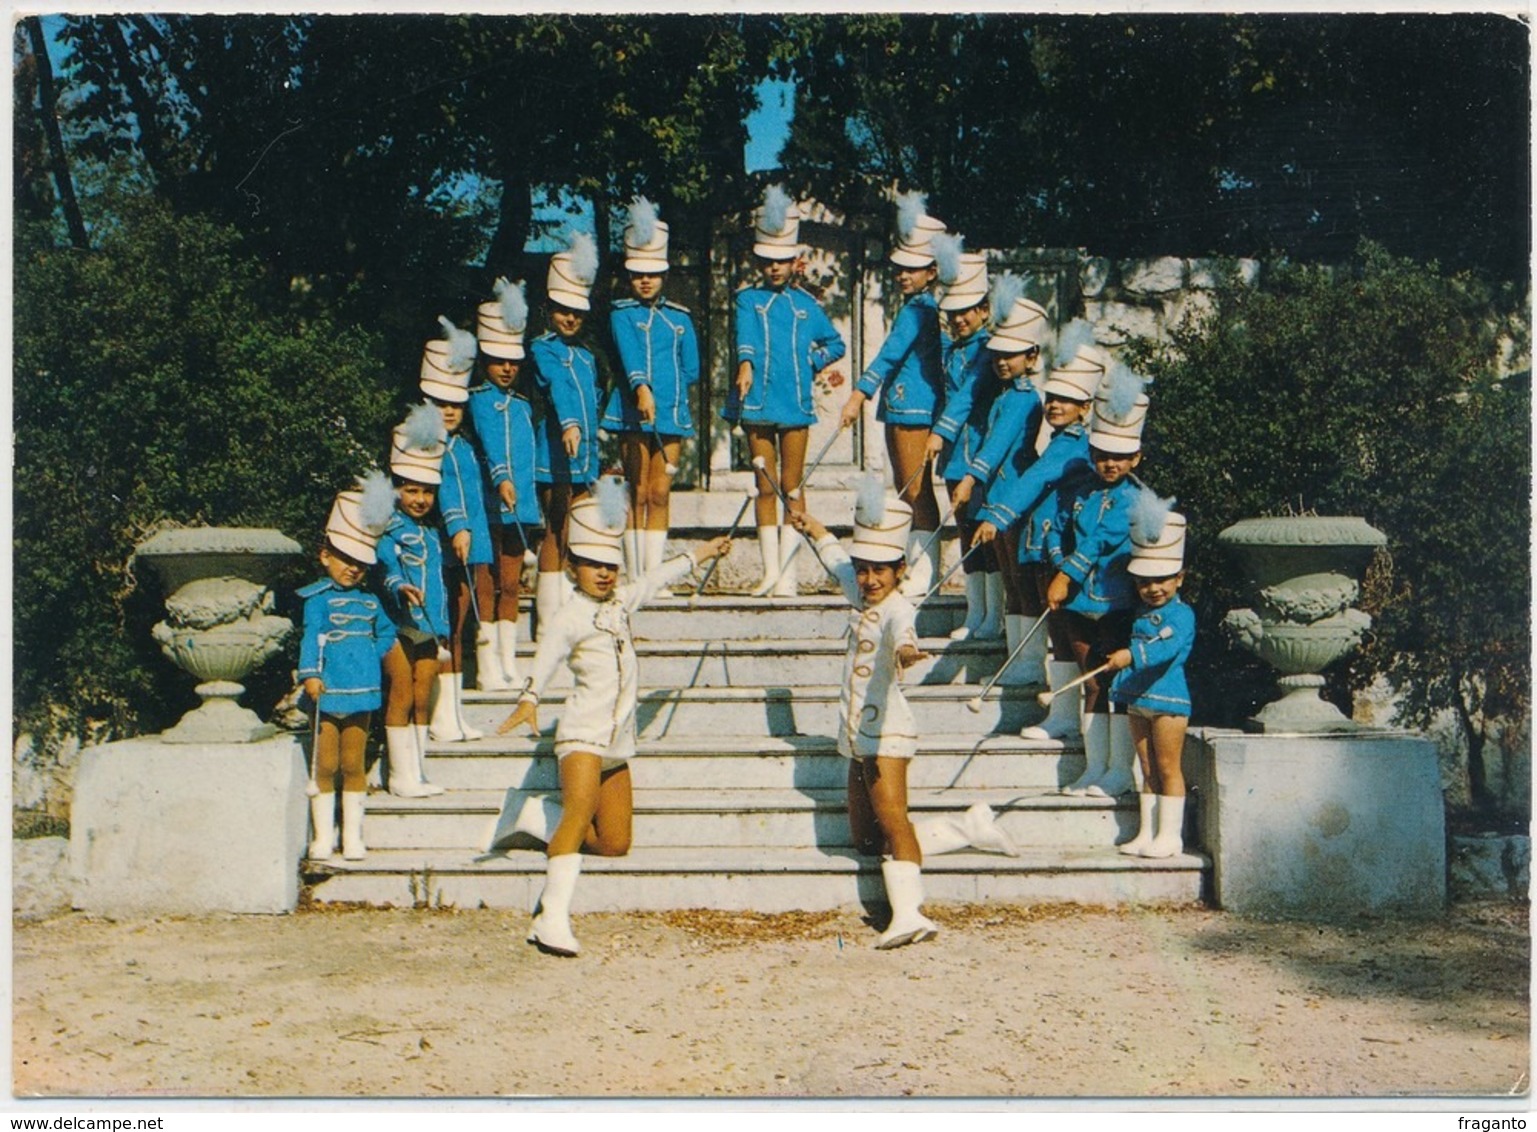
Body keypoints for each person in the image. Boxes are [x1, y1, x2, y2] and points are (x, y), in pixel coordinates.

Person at [495, 478, 731, 956]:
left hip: (617, 743)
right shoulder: (569, 615)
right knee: (580, 817)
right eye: (593, 566)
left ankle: (536, 816)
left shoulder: (622, 602)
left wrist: (702, 553)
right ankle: (551, 918)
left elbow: (656, 577)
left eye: (611, 566)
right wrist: (529, 698)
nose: (604, 574)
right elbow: (545, 660)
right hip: (581, 736)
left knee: (614, 842)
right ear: (573, 567)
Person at [789, 482, 1014, 950]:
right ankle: (964, 829)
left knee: (893, 821)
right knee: (865, 840)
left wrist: (909, 651)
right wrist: (813, 527)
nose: (870, 580)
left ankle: (910, 914)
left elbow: (902, 632)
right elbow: (834, 560)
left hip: (887, 731)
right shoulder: (859, 590)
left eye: (880, 572)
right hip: (856, 735)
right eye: (864, 570)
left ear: (900, 571)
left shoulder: (897, 608)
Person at [976, 321, 1103, 708]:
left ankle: (1066, 715)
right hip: (1044, 546)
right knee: (1058, 634)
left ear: (1085, 407)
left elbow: (1035, 479)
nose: (1054, 405)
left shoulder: (1073, 445)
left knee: (1068, 637)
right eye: (1051, 397)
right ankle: (1059, 713)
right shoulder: (1059, 441)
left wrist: (997, 516)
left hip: (1060, 549)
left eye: (1066, 399)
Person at [727, 184, 846, 597]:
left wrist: (807, 364)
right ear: (759, 261)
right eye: (767, 261)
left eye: (781, 261)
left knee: (793, 485)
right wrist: (745, 365)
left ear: (795, 261)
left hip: (794, 403)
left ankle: (789, 577)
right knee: (764, 484)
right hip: (756, 400)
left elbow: (836, 344)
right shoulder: (748, 300)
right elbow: (744, 340)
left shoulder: (806, 306)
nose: (774, 268)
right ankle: (769, 571)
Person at [1043, 361, 1152, 797]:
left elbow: (1101, 543)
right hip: (1078, 603)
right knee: (1090, 680)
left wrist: (1064, 576)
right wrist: (1056, 558)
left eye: (1120, 457)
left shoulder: (1134, 499)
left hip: (1114, 603)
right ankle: (1095, 767)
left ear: (1136, 458)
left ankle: (1120, 772)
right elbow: (1063, 529)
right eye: (1102, 455)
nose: (1110, 464)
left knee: (1113, 682)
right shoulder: (1085, 491)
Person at [838, 191, 946, 594]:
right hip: (902, 407)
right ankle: (918, 573)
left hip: (914, 408)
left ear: (932, 271)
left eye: (913, 269)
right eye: (900, 268)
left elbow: (889, 354)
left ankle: (924, 577)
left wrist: (858, 394)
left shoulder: (920, 308)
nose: (903, 275)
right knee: (910, 490)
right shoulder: (917, 305)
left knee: (917, 492)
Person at [949, 276, 1048, 682]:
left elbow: (998, 446)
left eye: (1013, 355)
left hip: (1013, 499)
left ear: (1033, 355)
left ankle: (1029, 666)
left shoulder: (1025, 399)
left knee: (1022, 583)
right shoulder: (1007, 394)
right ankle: (1016, 660)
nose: (1002, 363)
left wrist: (971, 480)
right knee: (1010, 579)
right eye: (997, 357)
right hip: (997, 498)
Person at [297, 479, 398, 860]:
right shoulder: (317, 600)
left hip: (362, 690)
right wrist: (311, 674)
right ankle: (324, 836)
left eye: (360, 563)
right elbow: (311, 638)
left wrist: (369, 654)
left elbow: (386, 633)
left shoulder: (371, 602)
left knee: (353, 763)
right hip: (326, 690)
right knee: (325, 763)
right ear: (325, 556)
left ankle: (353, 836)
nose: (353, 569)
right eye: (345, 559)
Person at [601, 197, 700, 577]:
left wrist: (667, 392)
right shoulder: (621, 314)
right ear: (629, 276)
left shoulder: (680, 319)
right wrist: (641, 388)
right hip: (631, 409)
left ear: (664, 275)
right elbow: (628, 357)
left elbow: (691, 367)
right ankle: (634, 573)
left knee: (660, 493)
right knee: (636, 490)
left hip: (671, 413)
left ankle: (654, 576)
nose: (646, 280)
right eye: (638, 273)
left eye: (653, 273)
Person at [1106, 506, 1194, 858]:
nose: (1153, 588)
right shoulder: (1141, 612)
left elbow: (1165, 648)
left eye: (1162, 580)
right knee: (1145, 767)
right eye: (1144, 582)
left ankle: (1171, 837)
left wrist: (1129, 655)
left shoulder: (1182, 614)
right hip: (1137, 697)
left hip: (1168, 701)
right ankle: (1148, 832)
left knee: (1168, 766)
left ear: (1180, 579)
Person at [925, 235, 1000, 640]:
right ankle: (976, 614)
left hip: (983, 453)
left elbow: (970, 395)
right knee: (967, 530)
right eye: (951, 314)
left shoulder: (990, 349)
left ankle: (993, 617)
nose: (958, 320)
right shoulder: (951, 349)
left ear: (984, 310)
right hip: (957, 456)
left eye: (966, 312)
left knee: (989, 535)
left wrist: (939, 432)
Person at [469, 277, 542, 691]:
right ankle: (486, 664)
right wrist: (501, 479)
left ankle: (508, 659)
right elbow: (490, 446)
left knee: (512, 584)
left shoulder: (523, 405)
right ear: (484, 359)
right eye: (498, 359)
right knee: (486, 581)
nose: (507, 367)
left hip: (521, 506)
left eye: (512, 360)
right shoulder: (478, 399)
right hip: (487, 504)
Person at [421, 320, 493, 734]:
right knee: (445, 629)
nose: (449, 411)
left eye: (455, 404)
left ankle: (453, 711)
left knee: (460, 628)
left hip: (473, 546)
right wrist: (458, 526)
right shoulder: (427, 444)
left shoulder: (463, 444)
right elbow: (443, 490)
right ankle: (441, 715)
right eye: (440, 402)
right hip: (448, 547)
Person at [375, 408, 451, 798]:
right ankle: (398, 776)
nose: (420, 499)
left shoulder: (433, 532)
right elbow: (386, 563)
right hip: (398, 622)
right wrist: (399, 586)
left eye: (427, 491)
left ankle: (417, 772)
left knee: (422, 695)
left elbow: (438, 582)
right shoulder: (390, 528)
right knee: (402, 692)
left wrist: (443, 630)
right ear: (397, 490)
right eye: (411, 490)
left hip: (429, 625)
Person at [529, 231, 602, 631]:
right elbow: (556, 385)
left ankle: (570, 616)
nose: (570, 318)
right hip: (554, 456)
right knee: (556, 531)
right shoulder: (544, 349)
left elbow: (596, 398)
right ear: (549, 310)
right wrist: (571, 424)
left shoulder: (589, 357)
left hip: (585, 459)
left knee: (576, 532)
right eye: (561, 310)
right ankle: (547, 620)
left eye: (576, 311)